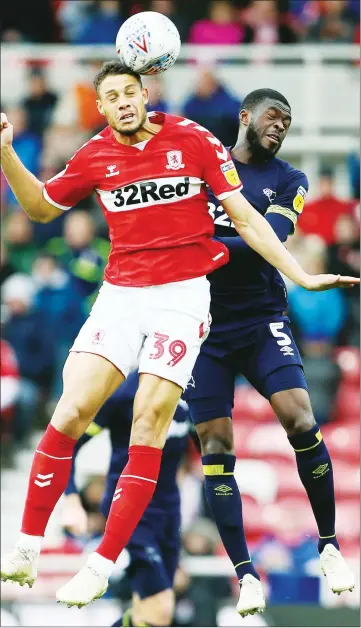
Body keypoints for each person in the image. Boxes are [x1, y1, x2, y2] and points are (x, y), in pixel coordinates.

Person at [0, 63, 357, 611]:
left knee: (152, 419)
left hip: (185, 299)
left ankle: (102, 563)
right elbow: (42, 206)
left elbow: (248, 219)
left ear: (146, 94)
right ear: (101, 106)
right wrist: (5, 152)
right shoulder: (96, 153)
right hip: (119, 294)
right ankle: (26, 545)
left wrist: (300, 274)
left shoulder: (193, 139)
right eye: (110, 96)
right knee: (69, 411)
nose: (121, 102)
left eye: (128, 92)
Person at [186, 88, 356, 617]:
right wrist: (226, 240)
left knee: (300, 418)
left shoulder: (290, 180)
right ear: (245, 117)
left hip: (262, 320)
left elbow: (274, 238)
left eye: (287, 120)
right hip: (202, 326)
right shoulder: (203, 171)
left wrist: (206, 245)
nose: (280, 125)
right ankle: (244, 575)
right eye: (272, 116)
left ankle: (329, 545)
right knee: (214, 446)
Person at [62, 371, 190, 627]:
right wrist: (71, 498)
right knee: (160, 608)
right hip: (131, 509)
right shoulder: (123, 394)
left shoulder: (189, 386)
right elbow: (67, 443)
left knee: (149, 612)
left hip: (169, 509)